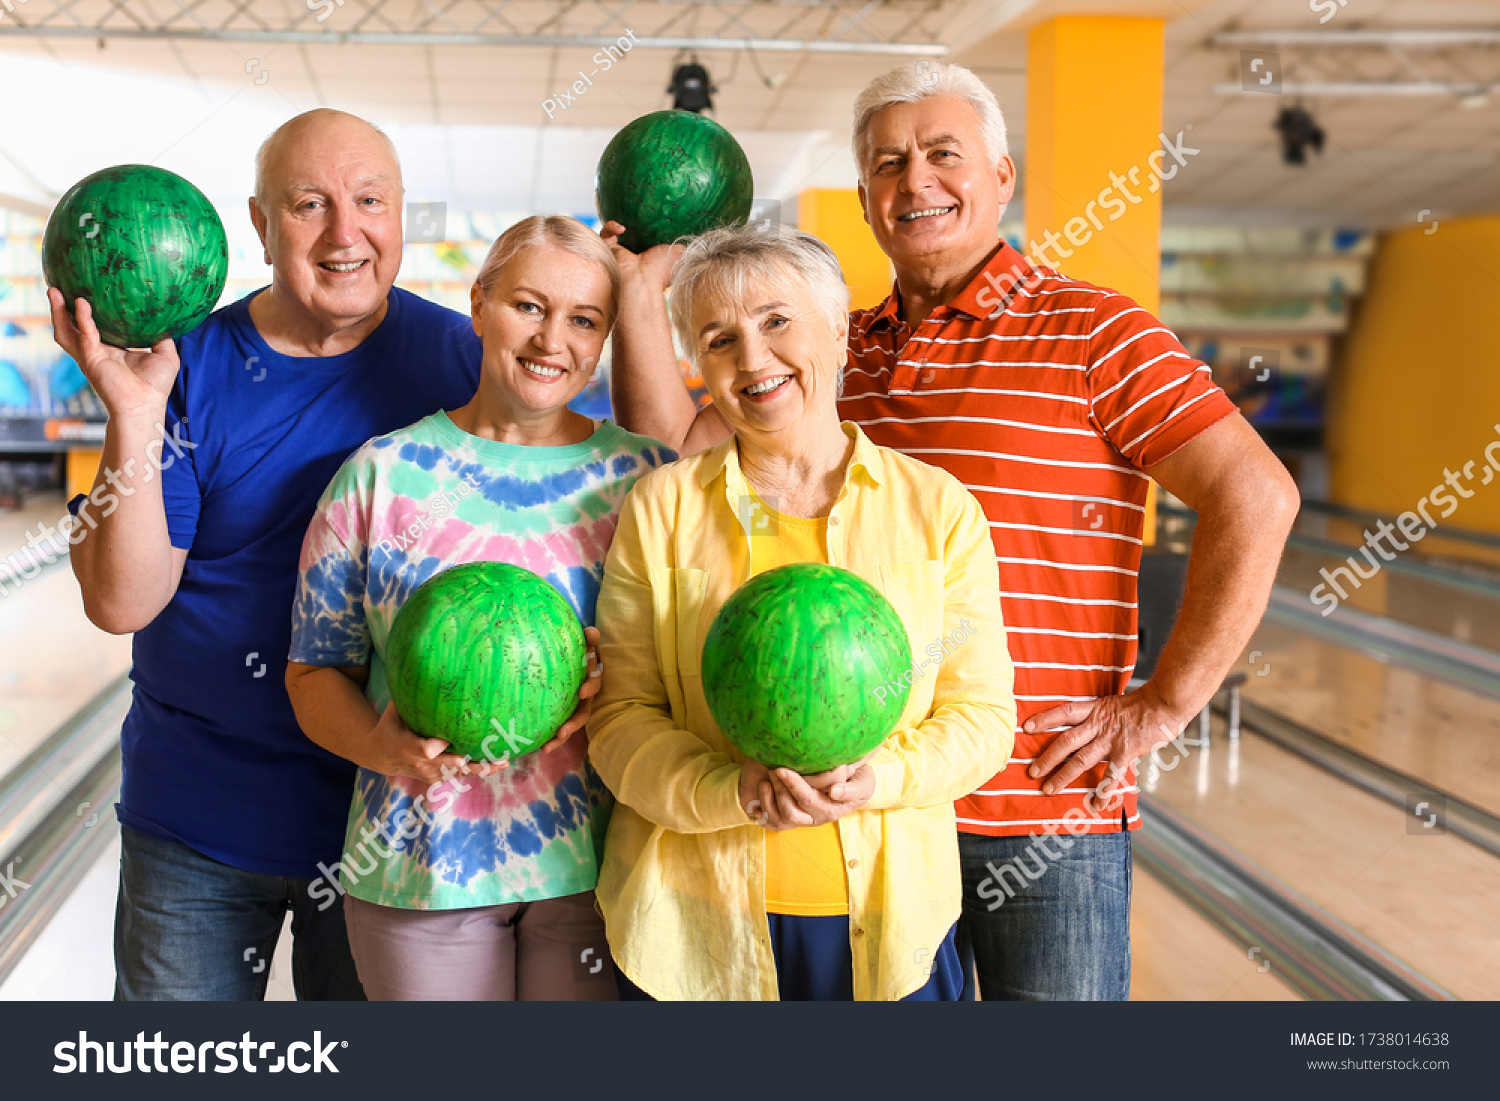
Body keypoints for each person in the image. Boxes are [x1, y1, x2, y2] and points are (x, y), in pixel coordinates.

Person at [604, 62, 1300, 1000]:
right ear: (864, 199)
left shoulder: (1095, 330)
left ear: (1002, 175)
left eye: (943, 154)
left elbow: (1257, 496)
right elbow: (676, 458)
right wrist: (643, 291)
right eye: (889, 163)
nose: (915, 181)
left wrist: (1164, 702)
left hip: (1040, 796)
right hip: (860, 814)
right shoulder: (828, 343)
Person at [50, 109, 483, 1000]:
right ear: (258, 223)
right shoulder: (186, 366)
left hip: (390, 823)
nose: (345, 233)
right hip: (197, 823)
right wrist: (133, 411)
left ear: (403, 214)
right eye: (308, 204)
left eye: (370, 201)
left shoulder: (463, 362)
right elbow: (122, 602)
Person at [588, 225, 1015, 1001]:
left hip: (891, 929)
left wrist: (877, 777)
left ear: (840, 329)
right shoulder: (662, 507)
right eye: (719, 339)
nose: (753, 359)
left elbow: (982, 716)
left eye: (777, 321)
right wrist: (732, 790)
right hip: (691, 926)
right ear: (700, 367)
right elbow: (620, 723)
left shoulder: (938, 509)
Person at [284, 216, 672, 1001]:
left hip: (601, 867)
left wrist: (619, 677)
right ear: (479, 304)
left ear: (603, 339)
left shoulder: (649, 478)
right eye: (528, 306)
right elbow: (312, 669)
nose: (551, 339)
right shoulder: (381, 474)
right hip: (420, 867)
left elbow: (683, 665)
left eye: (584, 319)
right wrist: (382, 745)